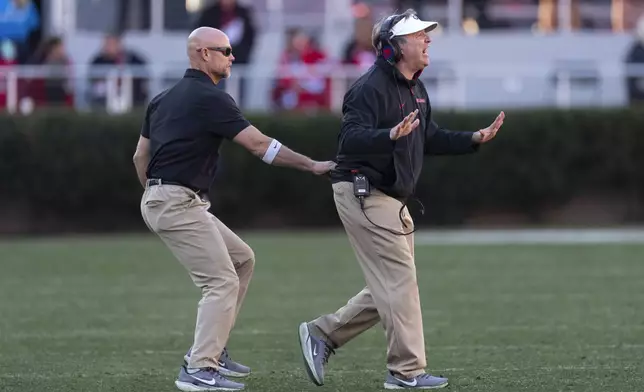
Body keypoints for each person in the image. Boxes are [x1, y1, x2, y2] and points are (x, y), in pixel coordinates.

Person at [297, 9, 504, 390]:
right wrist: (389, 135)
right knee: (399, 283)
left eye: (427, 34)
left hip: (391, 198)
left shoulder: (415, 88)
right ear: (393, 48)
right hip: (363, 191)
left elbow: (429, 136)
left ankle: (322, 334)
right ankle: (405, 372)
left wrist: (473, 139)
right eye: (418, 35)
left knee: (391, 285)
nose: (427, 40)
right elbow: (349, 141)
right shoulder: (368, 88)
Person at [132, 27, 336, 392]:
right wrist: (311, 165)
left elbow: (139, 157)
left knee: (242, 259)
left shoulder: (162, 98)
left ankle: (213, 347)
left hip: (168, 198)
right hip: (177, 201)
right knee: (221, 281)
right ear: (202, 54)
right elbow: (260, 145)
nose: (232, 56)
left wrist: (155, 194)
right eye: (225, 50)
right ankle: (198, 368)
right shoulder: (213, 98)